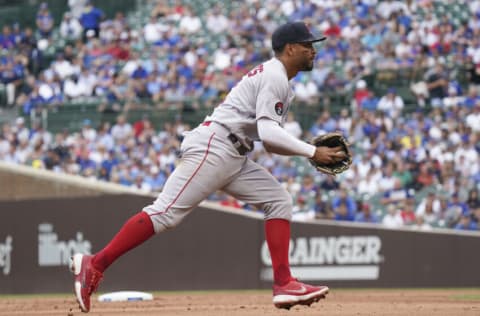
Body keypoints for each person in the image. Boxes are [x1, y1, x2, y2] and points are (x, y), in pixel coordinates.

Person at [70, 21, 347, 313]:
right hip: (215, 145)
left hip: (232, 153)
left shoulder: (280, 80)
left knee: (278, 201)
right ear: (291, 49)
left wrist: (309, 152)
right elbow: (269, 135)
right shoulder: (275, 75)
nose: (313, 51)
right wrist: (312, 151)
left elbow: (271, 141)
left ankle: (284, 284)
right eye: (307, 45)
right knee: (165, 214)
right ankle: (94, 264)